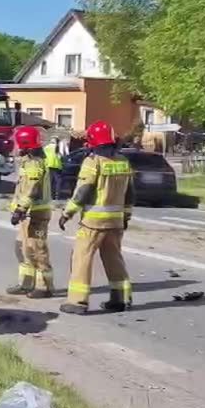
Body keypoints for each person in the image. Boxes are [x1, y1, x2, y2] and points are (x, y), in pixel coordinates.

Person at [58, 121, 135, 315]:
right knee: (114, 258)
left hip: (93, 221)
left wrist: (67, 212)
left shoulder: (93, 162)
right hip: (116, 221)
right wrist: (126, 215)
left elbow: (83, 191)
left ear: (92, 141)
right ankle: (121, 298)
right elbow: (130, 193)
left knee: (82, 258)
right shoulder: (123, 162)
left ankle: (77, 301)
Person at [7, 126, 54, 298]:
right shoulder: (28, 160)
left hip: (36, 213)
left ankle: (45, 286)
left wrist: (20, 209)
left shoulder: (35, 163)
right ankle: (26, 283)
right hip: (26, 214)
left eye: (19, 143)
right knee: (22, 248)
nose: (17, 147)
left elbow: (32, 189)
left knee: (37, 249)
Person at [44, 137, 64, 202]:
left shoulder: (46, 147)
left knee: (50, 182)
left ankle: (50, 196)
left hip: (48, 165)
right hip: (56, 166)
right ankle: (57, 196)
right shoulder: (57, 147)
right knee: (58, 182)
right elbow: (61, 156)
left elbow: (43, 156)